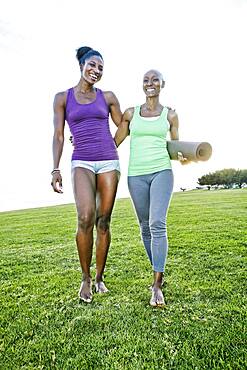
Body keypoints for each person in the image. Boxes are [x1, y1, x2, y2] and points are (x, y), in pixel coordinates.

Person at [51, 46, 122, 303]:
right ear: (81, 65)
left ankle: (100, 277)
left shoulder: (109, 96)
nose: (96, 71)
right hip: (81, 160)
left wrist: (112, 144)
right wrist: (55, 167)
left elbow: (123, 124)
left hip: (108, 162)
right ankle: (85, 278)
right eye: (92, 65)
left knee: (104, 220)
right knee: (85, 217)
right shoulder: (63, 98)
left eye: (101, 68)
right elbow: (59, 135)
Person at [114, 69, 189, 307]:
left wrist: (182, 156)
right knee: (145, 227)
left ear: (162, 84)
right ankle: (158, 269)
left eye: (154, 80)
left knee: (157, 222)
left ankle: (157, 283)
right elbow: (113, 142)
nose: (150, 83)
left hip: (161, 171)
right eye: (146, 80)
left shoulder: (170, 115)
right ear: (142, 85)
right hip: (136, 175)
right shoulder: (130, 113)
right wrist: (85, 141)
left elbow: (175, 145)